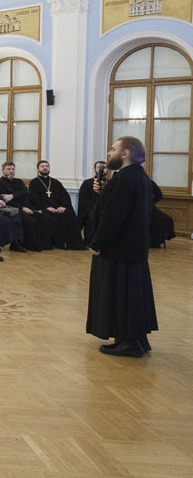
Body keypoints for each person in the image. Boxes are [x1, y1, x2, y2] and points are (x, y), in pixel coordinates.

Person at [86, 137, 157, 358]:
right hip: (131, 248)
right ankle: (135, 339)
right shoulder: (137, 176)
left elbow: (113, 216)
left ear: (125, 153)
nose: (109, 153)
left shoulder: (125, 179)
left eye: (114, 149)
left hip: (119, 249)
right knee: (131, 294)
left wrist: (97, 243)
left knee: (122, 294)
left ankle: (130, 343)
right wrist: (106, 191)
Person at [0, 162, 54, 251]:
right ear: (3, 171)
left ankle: (44, 244)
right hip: (13, 209)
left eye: (13, 169)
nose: (11, 171)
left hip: (27, 206)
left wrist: (12, 196)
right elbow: (6, 201)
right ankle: (26, 245)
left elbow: (25, 193)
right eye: (8, 169)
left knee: (46, 218)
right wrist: (22, 208)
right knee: (30, 221)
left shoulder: (18, 181)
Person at [28, 161, 86, 249]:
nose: (45, 168)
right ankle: (56, 243)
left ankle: (71, 243)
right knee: (51, 216)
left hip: (58, 208)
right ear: (38, 169)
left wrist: (63, 206)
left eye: (47, 166)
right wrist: (46, 207)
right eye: (42, 166)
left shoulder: (55, 182)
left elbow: (65, 196)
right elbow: (34, 199)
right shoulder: (33, 183)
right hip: (42, 208)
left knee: (69, 214)